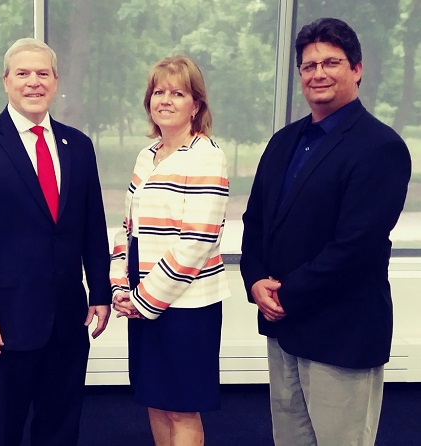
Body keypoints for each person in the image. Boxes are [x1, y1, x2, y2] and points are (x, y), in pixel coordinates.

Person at [240, 17, 411, 446]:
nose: (318, 73)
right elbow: (256, 221)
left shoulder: (380, 147)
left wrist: (284, 295)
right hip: (284, 330)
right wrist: (255, 280)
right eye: (309, 65)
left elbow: (356, 246)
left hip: (342, 332)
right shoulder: (284, 142)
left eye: (331, 62)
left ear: (356, 68)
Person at [0, 38, 111, 446]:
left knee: (60, 428)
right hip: (1, 324)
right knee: (2, 431)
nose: (33, 82)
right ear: (5, 81)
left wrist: (101, 292)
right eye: (22, 73)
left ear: (55, 82)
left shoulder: (78, 145)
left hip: (68, 319)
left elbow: (92, 226)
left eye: (42, 73)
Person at [110, 55, 231, 445]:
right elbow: (128, 229)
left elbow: (196, 242)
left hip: (186, 308)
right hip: (142, 301)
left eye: (177, 93)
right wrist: (118, 286)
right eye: (158, 92)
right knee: (156, 400)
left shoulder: (207, 157)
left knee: (181, 407)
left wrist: (144, 300)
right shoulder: (147, 157)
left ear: (196, 105)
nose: (165, 100)